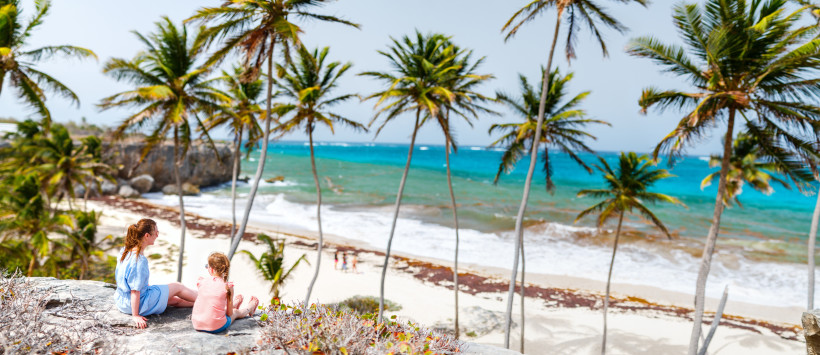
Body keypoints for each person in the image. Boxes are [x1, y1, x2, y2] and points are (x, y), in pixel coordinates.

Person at [114, 219, 198, 329]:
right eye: (156, 233)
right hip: (137, 304)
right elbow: (135, 291)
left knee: (173, 300)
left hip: (122, 301)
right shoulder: (139, 261)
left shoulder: (125, 251)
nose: (157, 235)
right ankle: (208, 298)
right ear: (147, 235)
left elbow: (125, 278)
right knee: (178, 287)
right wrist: (135, 315)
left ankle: (199, 304)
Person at [192, 252, 259, 334]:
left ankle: (235, 303)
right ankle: (249, 308)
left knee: (215, 307)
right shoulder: (228, 287)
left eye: (207, 266)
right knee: (235, 312)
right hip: (215, 327)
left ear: (211, 269)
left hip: (197, 324)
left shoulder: (201, 282)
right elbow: (229, 313)